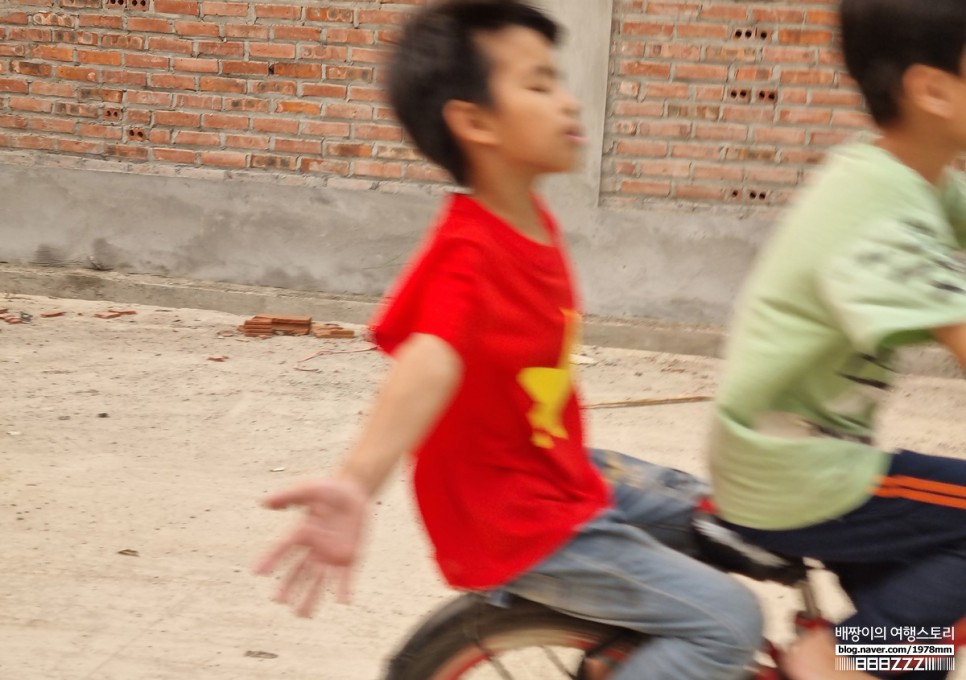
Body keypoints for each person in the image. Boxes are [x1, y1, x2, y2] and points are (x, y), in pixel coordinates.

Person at [255, 2, 762, 679]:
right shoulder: (471, 252)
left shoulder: (525, 220)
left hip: (558, 475)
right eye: (539, 84)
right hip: (519, 521)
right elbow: (430, 358)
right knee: (730, 621)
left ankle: (880, 657)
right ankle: (887, 655)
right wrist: (356, 480)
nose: (566, 100)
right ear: (474, 121)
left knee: (743, 523)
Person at [708, 1, 966, 679]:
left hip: (803, 465)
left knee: (921, 650)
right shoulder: (881, 214)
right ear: (931, 89)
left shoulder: (910, 175)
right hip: (795, 477)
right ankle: (837, 663)